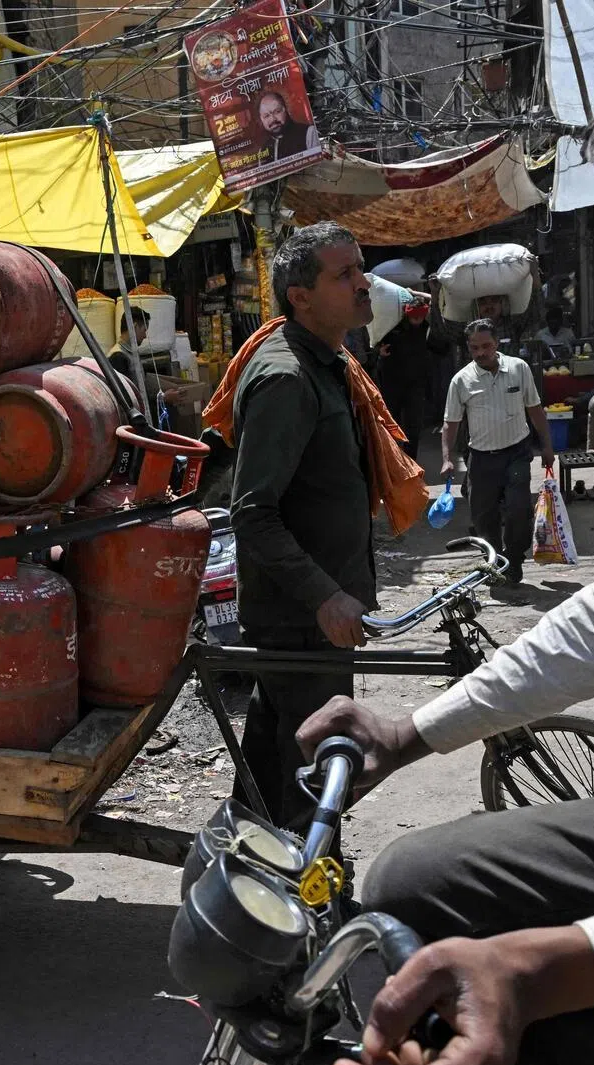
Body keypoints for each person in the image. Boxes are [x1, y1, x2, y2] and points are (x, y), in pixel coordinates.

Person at [294, 6, 594, 1065]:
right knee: (409, 881)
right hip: (317, 592)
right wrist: (423, 726)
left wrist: (555, 968)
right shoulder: (288, 374)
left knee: (500, 1021)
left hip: (352, 578)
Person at [203, 222, 424, 829]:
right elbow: (252, 512)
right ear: (300, 296)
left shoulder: (330, 362)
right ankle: (313, 902)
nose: (363, 285)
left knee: (275, 770)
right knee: (317, 774)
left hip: (316, 618)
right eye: (344, 275)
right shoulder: (287, 378)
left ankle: (241, 880)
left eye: (361, 269)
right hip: (301, 620)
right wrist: (324, 595)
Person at [441, 319, 554, 585]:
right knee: (483, 516)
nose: (481, 353)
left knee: (518, 509)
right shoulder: (461, 380)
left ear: (497, 343)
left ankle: (514, 560)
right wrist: (447, 458)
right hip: (480, 459)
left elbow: (535, 409)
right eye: (475, 348)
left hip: (516, 452)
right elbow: (451, 422)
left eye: (486, 346)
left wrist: (547, 446)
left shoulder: (519, 368)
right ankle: (495, 561)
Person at [373, 298, 450, 460]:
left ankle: (410, 461)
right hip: (392, 383)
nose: (416, 320)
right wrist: (379, 353)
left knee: (413, 427)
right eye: (413, 316)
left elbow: (442, 348)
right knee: (390, 423)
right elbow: (374, 345)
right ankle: (390, 460)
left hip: (416, 385)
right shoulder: (393, 329)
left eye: (420, 316)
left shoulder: (427, 330)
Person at [256, 89, 318, 164]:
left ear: (286, 109)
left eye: (277, 112)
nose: (273, 119)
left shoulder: (309, 133)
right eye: (266, 116)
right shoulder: (263, 150)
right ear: (261, 120)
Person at [108, 306, 150, 378]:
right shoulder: (118, 357)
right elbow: (125, 388)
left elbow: (144, 379)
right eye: (144, 330)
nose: (145, 336)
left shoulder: (129, 352)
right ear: (134, 326)